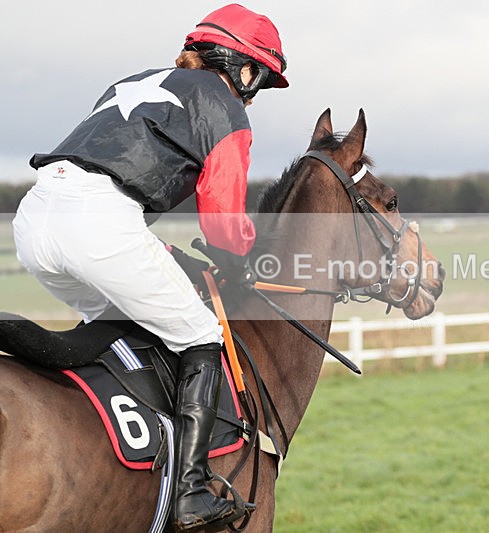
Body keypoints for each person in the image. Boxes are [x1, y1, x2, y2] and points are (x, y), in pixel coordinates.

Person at [12, 3, 288, 530]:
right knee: (200, 334)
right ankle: (190, 492)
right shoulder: (226, 108)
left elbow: (110, 175)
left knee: (119, 322)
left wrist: (170, 257)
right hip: (99, 224)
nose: (253, 96)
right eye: (258, 81)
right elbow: (223, 219)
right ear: (242, 68)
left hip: (35, 218)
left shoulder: (135, 80)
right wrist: (240, 261)